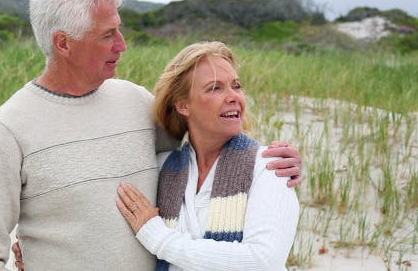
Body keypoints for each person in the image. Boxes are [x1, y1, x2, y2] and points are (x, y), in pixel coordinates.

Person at [0, 0, 302, 271]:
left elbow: (208, 141)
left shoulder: (136, 102)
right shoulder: (10, 127)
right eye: (107, 35)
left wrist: (282, 163)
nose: (122, 45)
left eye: (119, 31)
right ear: (63, 43)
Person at [116, 41, 299, 270]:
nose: (233, 97)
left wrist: (158, 237)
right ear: (183, 105)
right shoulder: (163, 168)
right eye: (215, 88)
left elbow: (262, 261)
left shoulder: (270, 167)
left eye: (236, 86)